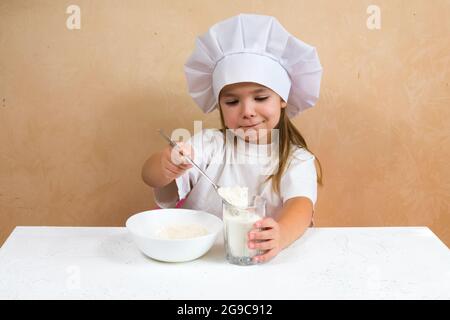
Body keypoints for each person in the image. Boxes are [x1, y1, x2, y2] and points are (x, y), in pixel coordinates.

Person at [142, 13, 323, 263]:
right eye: (232, 101)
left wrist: (281, 235)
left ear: (282, 99)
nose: (247, 111)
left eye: (260, 98)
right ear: (219, 105)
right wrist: (165, 166)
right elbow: (151, 177)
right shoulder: (209, 145)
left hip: (260, 260)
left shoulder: (296, 159)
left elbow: (301, 206)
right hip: (202, 259)